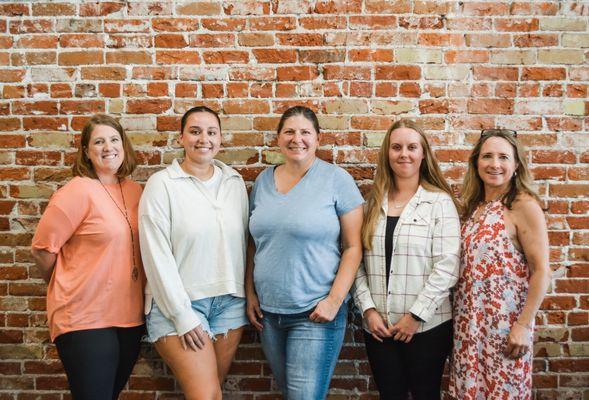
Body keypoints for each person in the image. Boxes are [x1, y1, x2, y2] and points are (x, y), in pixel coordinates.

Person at [245, 106, 364, 399]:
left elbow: (353, 247)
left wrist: (334, 301)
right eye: (289, 131)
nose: (297, 138)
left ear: (318, 139)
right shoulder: (262, 182)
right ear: (278, 138)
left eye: (305, 132)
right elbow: (252, 243)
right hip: (269, 315)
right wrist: (249, 292)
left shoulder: (337, 180)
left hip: (315, 313)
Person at [30, 114, 144, 400]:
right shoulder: (77, 191)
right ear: (86, 151)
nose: (109, 147)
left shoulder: (135, 191)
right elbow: (42, 248)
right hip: (84, 317)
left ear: (124, 145)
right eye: (99, 141)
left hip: (129, 317)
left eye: (114, 139)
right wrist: (65, 283)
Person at [138, 106, 249, 399]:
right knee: (206, 395)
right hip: (180, 306)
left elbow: (244, 245)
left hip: (230, 305)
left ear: (221, 139)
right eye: (195, 131)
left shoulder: (234, 182)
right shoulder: (162, 184)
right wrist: (182, 315)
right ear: (181, 137)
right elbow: (155, 255)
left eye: (211, 132)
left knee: (211, 392)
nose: (204, 139)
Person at [353, 119, 461, 400]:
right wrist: (368, 310)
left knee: (426, 394)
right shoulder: (372, 204)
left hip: (427, 327)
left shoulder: (439, 202)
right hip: (379, 328)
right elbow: (355, 261)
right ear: (387, 154)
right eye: (397, 147)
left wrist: (415, 316)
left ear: (423, 154)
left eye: (412, 147)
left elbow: (448, 267)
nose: (404, 154)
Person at [448, 129, 551, 399]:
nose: (495, 164)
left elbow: (541, 271)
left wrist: (523, 326)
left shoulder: (523, 205)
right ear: (476, 163)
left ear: (516, 165)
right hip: (468, 327)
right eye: (487, 156)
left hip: (504, 328)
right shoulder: (473, 206)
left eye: (504, 157)